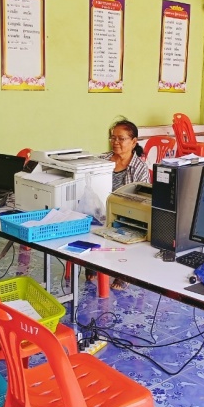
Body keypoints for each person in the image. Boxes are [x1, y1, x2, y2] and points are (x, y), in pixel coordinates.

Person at [89, 118, 150, 290]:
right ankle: (92, 262)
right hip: (99, 211)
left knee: (126, 230)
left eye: (121, 138)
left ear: (134, 142)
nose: (115, 142)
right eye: (113, 138)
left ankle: (123, 271)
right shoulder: (101, 160)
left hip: (125, 215)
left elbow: (143, 201)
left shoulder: (139, 168)